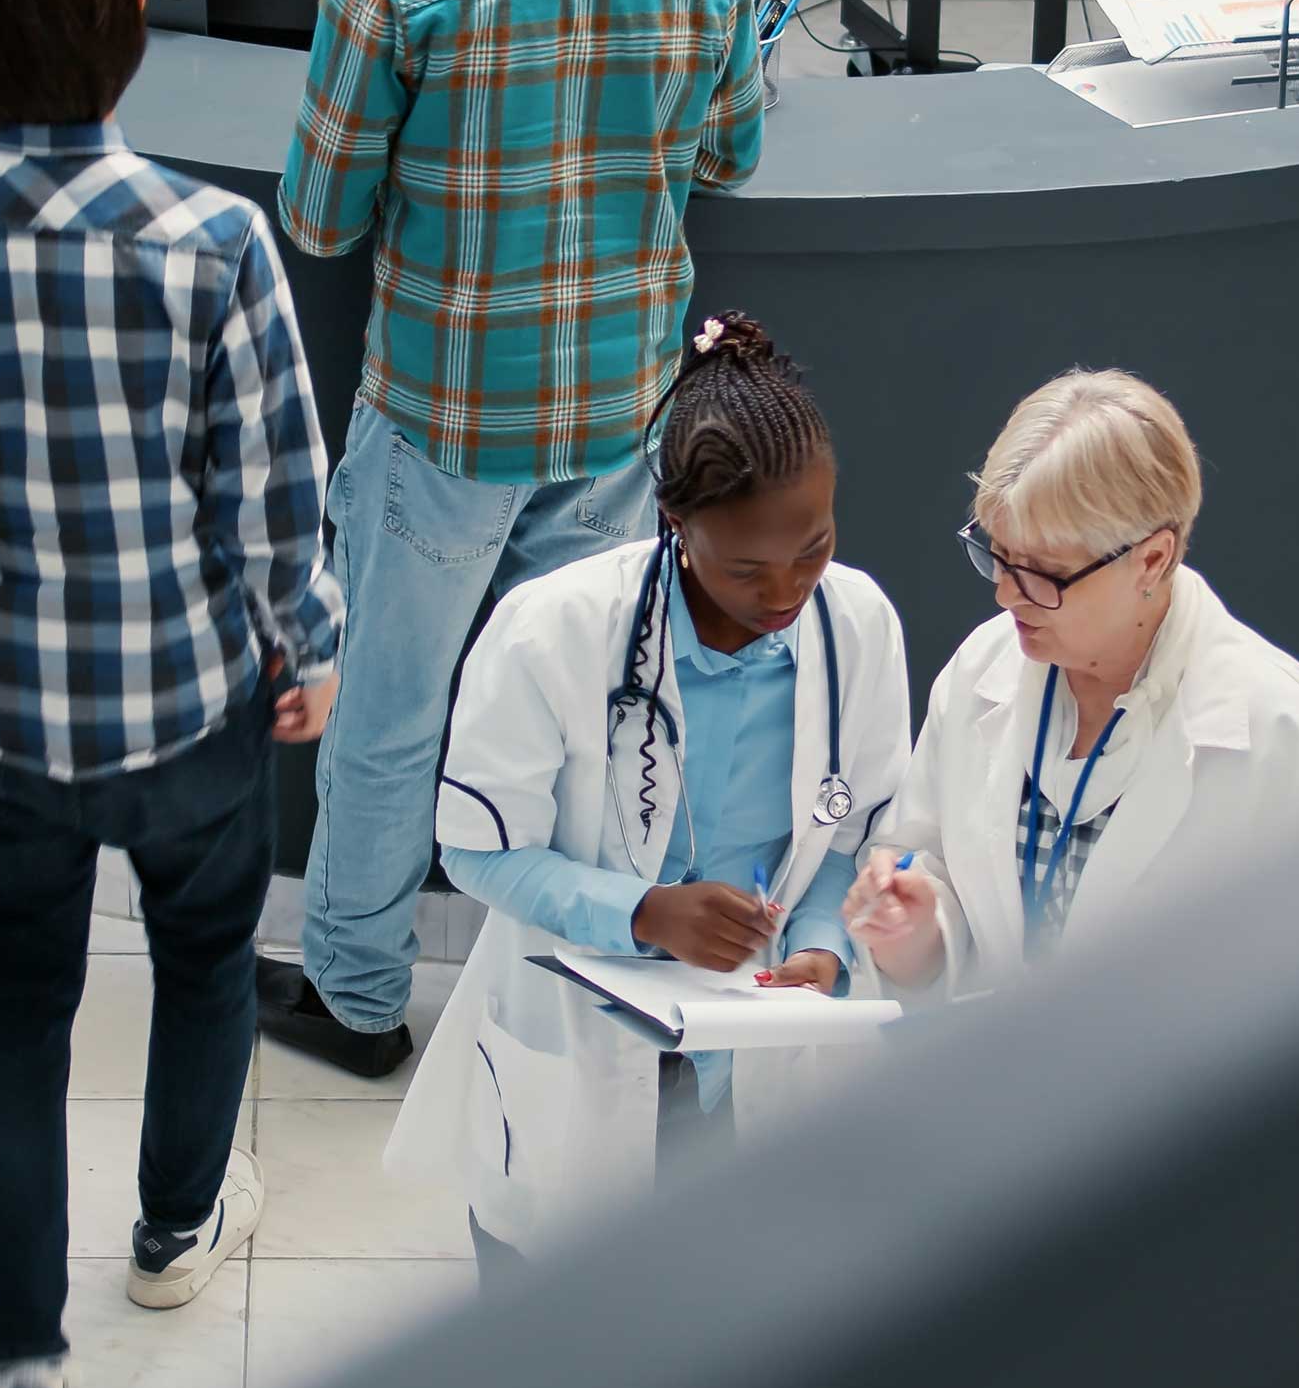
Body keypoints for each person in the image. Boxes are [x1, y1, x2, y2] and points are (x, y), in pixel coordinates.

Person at [0, 0, 348, 1388]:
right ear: (137, 22)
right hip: (187, 700)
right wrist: (313, 644)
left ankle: (23, 1386)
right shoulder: (212, 242)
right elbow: (273, 488)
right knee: (206, 965)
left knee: (18, 1016)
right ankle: (169, 1226)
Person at [268, 0, 768, 1076]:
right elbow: (729, 152)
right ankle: (556, 994)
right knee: (575, 719)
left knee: (390, 718)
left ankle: (360, 998)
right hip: (623, 410)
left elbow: (318, 212)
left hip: (438, 413)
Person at [382, 317, 908, 1274]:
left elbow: (859, 837)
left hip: (751, 1067)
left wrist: (827, 945)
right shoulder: (551, 631)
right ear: (676, 523)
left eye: (814, 546)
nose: (787, 588)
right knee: (548, 1344)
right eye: (747, 565)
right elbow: (477, 848)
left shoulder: (860, 628)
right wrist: (644, 913)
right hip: (579, 1052)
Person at [843, 371, 1299, 998]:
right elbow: (935, 872)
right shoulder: (984, 670)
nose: (1007, 592)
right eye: (999, 554)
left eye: (1045, 572)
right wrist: (914, 929)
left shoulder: (1283, 736)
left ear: (1153, 559)